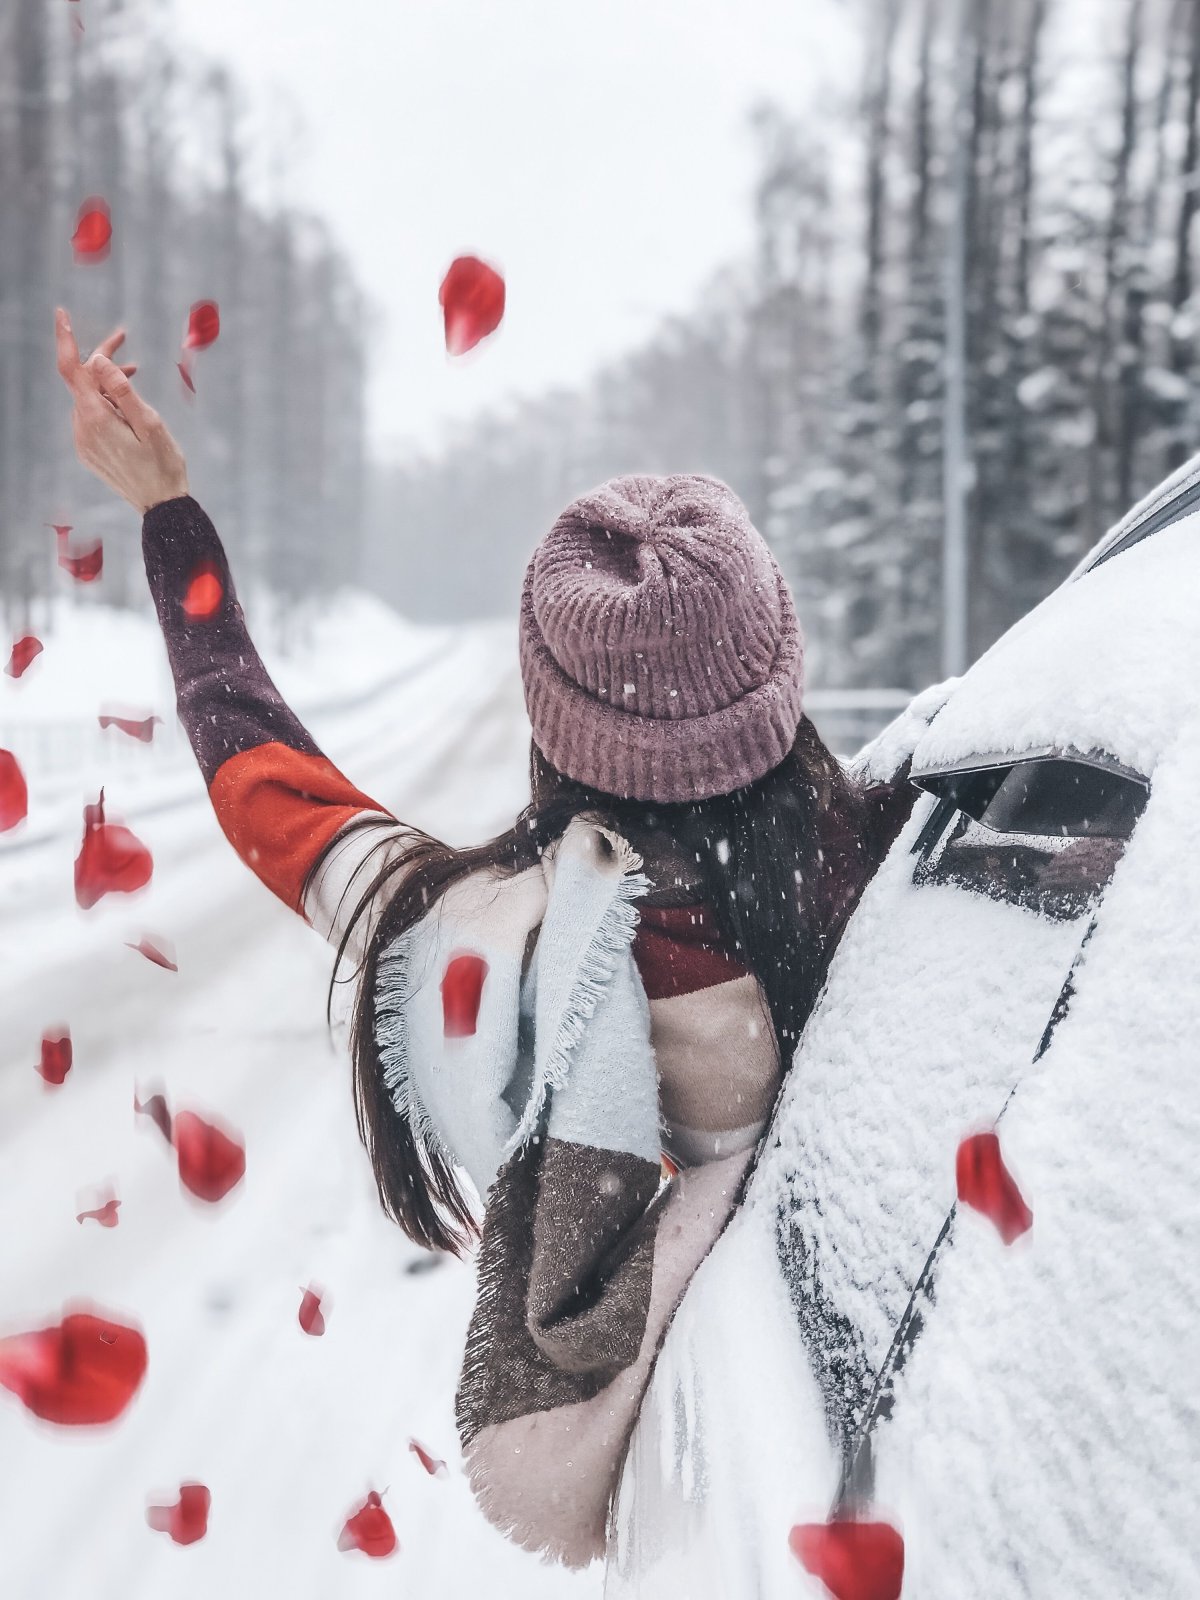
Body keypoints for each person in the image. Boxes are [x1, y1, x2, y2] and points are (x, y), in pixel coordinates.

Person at [55, 309, 913, 1566]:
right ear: (778, 670)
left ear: (557, 724)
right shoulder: (931, 852)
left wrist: (169, 512)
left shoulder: (501, 947)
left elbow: (267, 783)